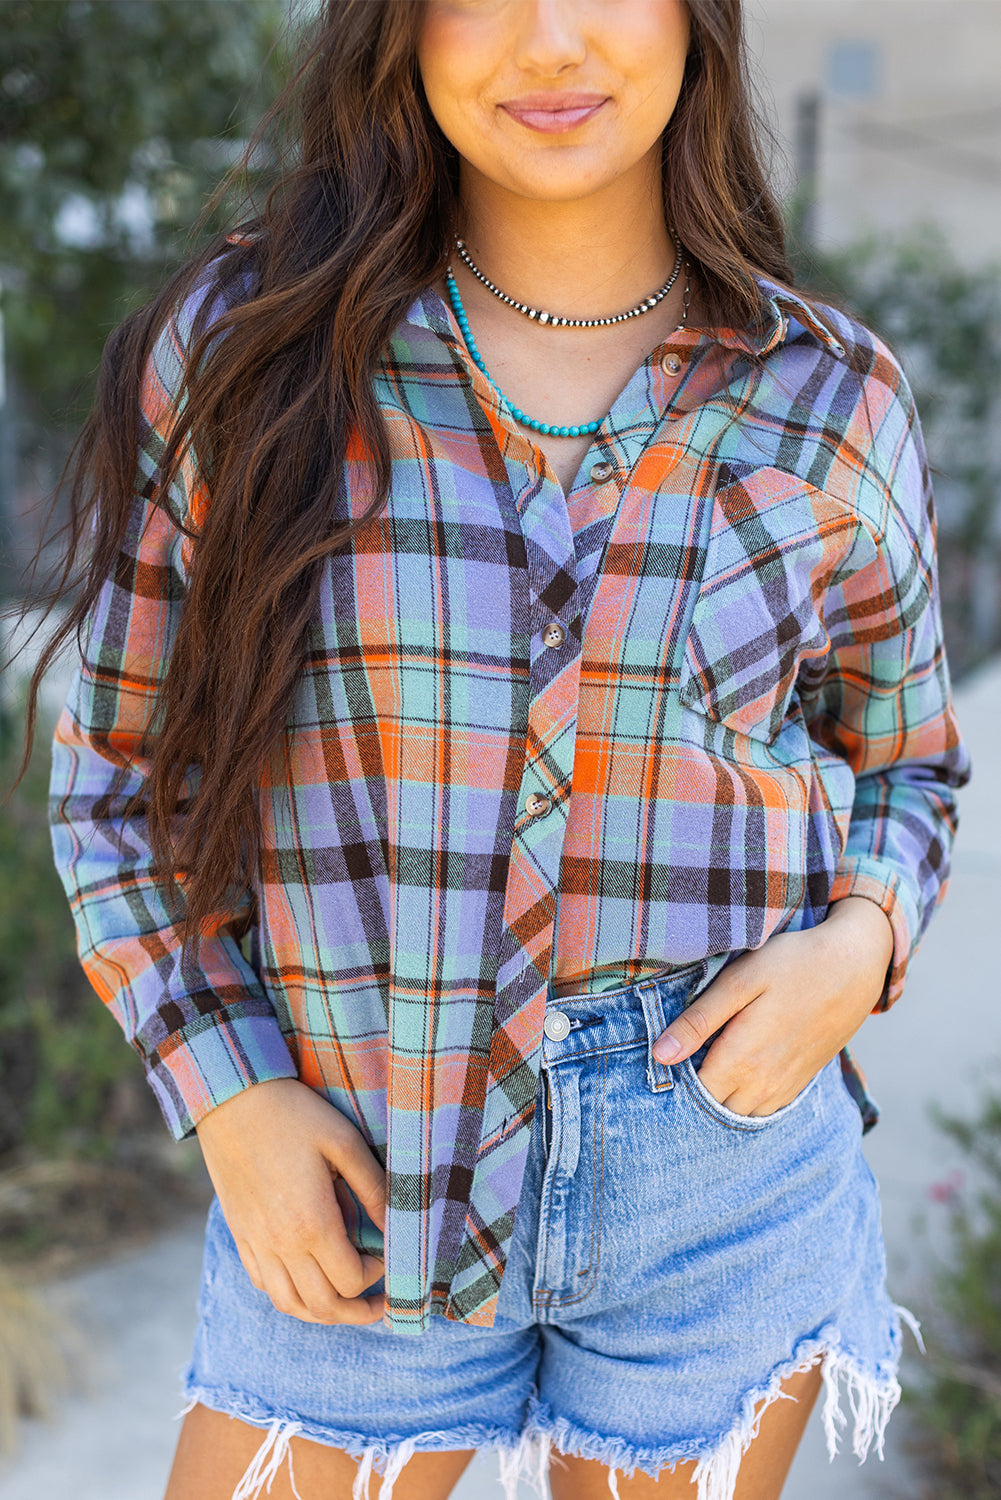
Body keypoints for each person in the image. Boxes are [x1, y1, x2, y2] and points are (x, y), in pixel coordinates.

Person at [33, 2, 970, 1498]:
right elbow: (118, 778)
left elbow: (908, 764)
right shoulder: (250, 354)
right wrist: (229, 1088)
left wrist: (855, 947)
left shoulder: (826, 396)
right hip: (349, 1167)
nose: (547, 40)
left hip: (718, 1174)